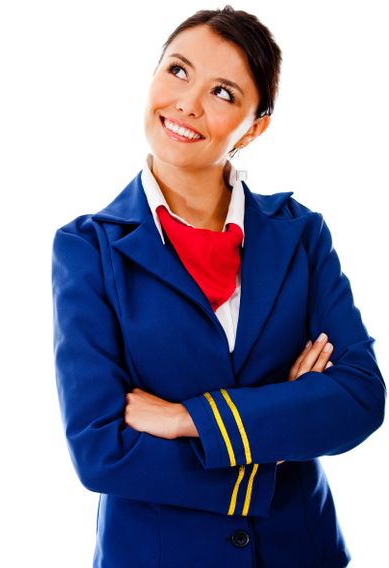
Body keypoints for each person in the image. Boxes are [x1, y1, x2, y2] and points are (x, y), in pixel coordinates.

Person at [51, 6, 386, 567]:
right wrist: (278, 431)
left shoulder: (300, 234)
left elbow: (360, 396)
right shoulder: (89, 247)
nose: (187, 102)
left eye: (223, 93)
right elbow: (100, 448)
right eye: (178, 71)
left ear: (255, 127)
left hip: (300, 554)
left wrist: (187, 419)